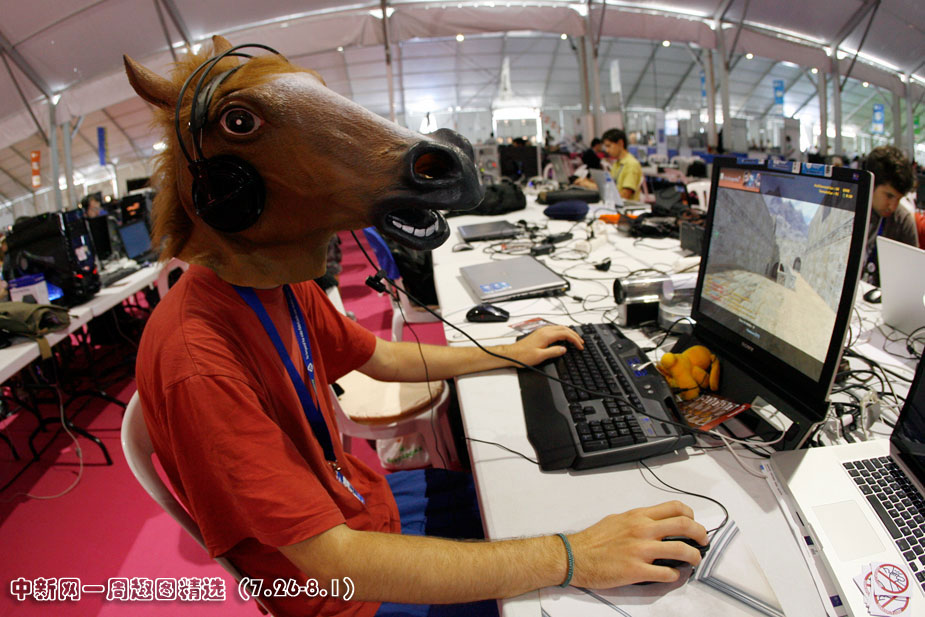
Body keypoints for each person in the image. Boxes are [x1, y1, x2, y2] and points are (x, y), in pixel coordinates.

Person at [128, 41, 706, 617]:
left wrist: (508, 353)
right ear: (222, 187)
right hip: (345, 593)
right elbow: (333, 561)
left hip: (365, 504)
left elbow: (382, 358)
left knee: (546, 498)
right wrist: (573, 556)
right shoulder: (197, 361)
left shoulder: (272, 279)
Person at [862, 145, 917, 286]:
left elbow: (913, 275)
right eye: (889, 196)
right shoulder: (847, 209)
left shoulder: (903, 221)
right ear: (871, 184)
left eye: (899, 199)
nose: (893, 206)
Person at [575, 128, 643, 201]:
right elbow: (609, 185)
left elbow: (624, 195)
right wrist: (588, 181)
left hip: (626, 206)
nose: (607, 150)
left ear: (620, 143)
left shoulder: (631, 164)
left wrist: (591, 185)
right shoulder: (617, 163)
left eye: (609, 146)